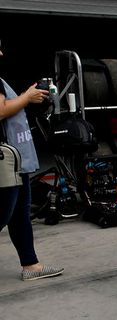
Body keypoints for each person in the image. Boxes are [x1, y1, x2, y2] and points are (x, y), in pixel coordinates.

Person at [0, 46, 64, 281]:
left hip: (17, 161)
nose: (1, 54)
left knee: (19, 215)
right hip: (6, 163)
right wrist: (27, 97)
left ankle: (31, 265)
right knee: (4, 214)